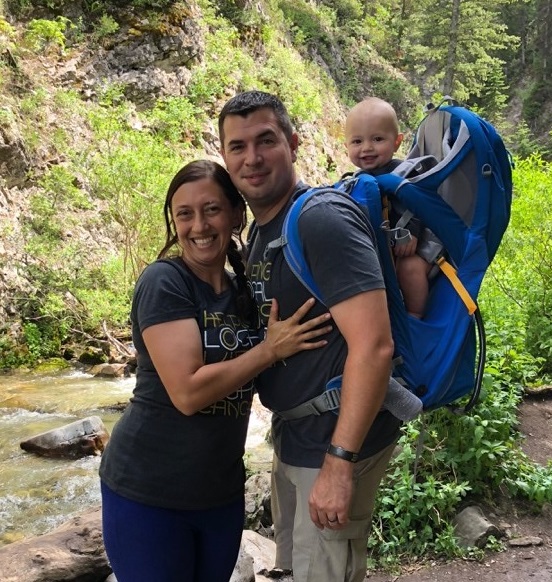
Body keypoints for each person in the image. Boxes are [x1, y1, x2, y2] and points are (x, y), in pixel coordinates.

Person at [99, 160, 332, 582]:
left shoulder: (244, 290)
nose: (198, 225)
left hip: (218, 493)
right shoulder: (165, 282)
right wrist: (268, 350)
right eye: (184, 214)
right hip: (149, 492)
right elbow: (187, 393)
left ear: (235, 215)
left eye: (211, 209)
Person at [219, 91, 402, 582]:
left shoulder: (319, 218)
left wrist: (339, 464)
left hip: (332, 445)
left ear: (294, 143)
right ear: (225, 157)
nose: (252, 158)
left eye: (266, 141)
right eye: (237, 147)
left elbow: (375, 345)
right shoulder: (261, 233)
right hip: (296, 440)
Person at [345, 96, 439, 319]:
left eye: (377, 139)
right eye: (357, 142)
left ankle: (415, 316)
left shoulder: (405, 172)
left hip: (414, 249)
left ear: (397, 142)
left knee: (410, 269)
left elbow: (422, 203)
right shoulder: (353, 181)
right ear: (346, 146)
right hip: (377, 251)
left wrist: (413, 232)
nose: (367, 148)